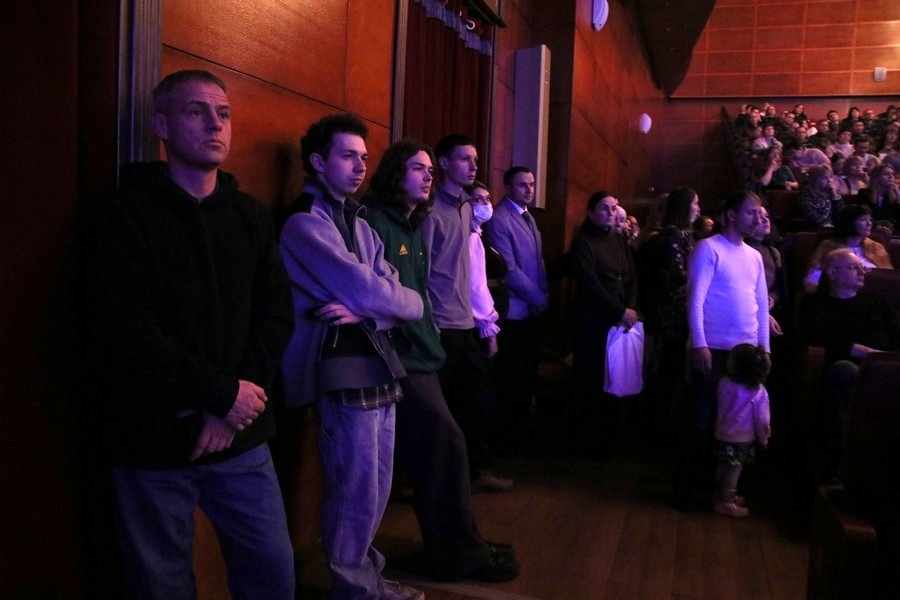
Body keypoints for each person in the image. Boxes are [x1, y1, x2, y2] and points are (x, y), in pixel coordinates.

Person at [87, 70, 296, 598]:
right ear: (162, 125)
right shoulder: (125, 211)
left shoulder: (250, 216)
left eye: (223, 113)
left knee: (272, 573)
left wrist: (235, 404)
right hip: (151, 438)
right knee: (162, 585)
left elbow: (275, 315)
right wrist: (219, 395)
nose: (214, 124)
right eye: (196, 112)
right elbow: (125, 328)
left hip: (242, 436)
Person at [278, 115, 426, 600]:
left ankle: (366, 578)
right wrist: (378, 302)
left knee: (377, 486)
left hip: (378, 363)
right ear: (318, 162)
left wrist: (371, 312)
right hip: (339, 371)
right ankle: (355, 588)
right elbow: (369, 288)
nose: (361, 166)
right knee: (354, 490)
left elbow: (413, 302)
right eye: (348, 156)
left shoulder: (361, 223)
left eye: (364, 157)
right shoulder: (303, 223)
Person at [361, 139, 520, 583]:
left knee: (447, 447)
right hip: (398, 353)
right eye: (418, 168)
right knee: (442, 446)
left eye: (430, 169)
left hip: (424, 347)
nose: (428, 175)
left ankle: (462, 547)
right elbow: (379, 292)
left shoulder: (413, 220)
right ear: (395, 172)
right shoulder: (376, 220)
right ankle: (456, 554)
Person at [421, 134, 510, 492]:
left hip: (465, 321)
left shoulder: (465, 208)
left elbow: (470, 276)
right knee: (439, 411)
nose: (473, 165)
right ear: (443, 163)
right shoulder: (430, 211)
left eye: (474, 159)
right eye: (464, 159)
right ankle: (433, 481)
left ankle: (474, 470)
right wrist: (428, 324)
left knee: (478, 400)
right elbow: (421, 273)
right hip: (440, 325)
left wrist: (485, 324)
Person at [673, 189, 770, 511]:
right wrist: (699, 343)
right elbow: (696, 300)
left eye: (759, 213)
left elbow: (759, 305)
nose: (757, 218)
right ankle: (687, 491)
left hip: (745, 353)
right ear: (731, 215)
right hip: (712, 347)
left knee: (733, 427)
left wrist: (765, 349)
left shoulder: (754, 256)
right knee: (701, 421)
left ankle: (717, 489)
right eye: (751, 212)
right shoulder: (709, 248)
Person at [800, 248, 900, 483]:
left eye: (862, 267)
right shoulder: (814, 303)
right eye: (855, 267)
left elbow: (896, 336)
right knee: (844, 370)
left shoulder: (877, 301)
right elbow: (814, 336)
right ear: (833, 273)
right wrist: (859, 350)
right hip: (849, 368)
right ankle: (842, 463)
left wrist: (885, 360)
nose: (862, 271)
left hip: (886, 367)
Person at [568, 191, 640, 458]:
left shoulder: (619, 239)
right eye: (604, 208)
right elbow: (590, 284)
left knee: (615, 378)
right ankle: (586, 442)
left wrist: (630, 307)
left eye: (614, 208)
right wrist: (620, 310)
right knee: (592, 379)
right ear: (591, 213)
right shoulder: (583, 242)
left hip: (619, 320)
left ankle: (610, 439)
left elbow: (632, 277)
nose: (611, 213)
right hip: (594, 321)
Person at [484, 166, 550, 454]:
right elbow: (509, 270)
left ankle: (519, 437)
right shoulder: (499, 218)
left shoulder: (528, 216)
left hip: (531, 308)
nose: (529, 189)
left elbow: (539, 261)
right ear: (508, 188)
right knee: (510, 379)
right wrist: (538, 297)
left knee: (525, 377)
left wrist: (543, 294)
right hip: (513, 310)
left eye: (531, 184)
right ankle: (505, 442)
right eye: (522, 185)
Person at [712, 344, 771, 518]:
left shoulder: (724, 383)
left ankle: (720, 494)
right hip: (742, 440)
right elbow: (762, 420)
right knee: (734, 471)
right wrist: (764, 440)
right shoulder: (758, 391)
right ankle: (727, 501)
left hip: (721, 433)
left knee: (722, 466)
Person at [803, 204, 893, 293]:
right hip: (838, 295)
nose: (869, 223)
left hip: (874, 293)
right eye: (863, 219)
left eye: (870, 219)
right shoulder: (827, 246)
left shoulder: (876, 247)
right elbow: (813, 276)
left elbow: (889, 276)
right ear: (849, 223)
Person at [797, 164, 842, 228]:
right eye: (825, 178)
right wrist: (825, 224)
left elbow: (842, 214)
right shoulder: (807, 192)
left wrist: (835, 195)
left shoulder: (832, 193)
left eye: (830, 177)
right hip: (812, 227)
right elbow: (809, 212)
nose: (829, 180)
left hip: (832, 228)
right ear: (816, 180)